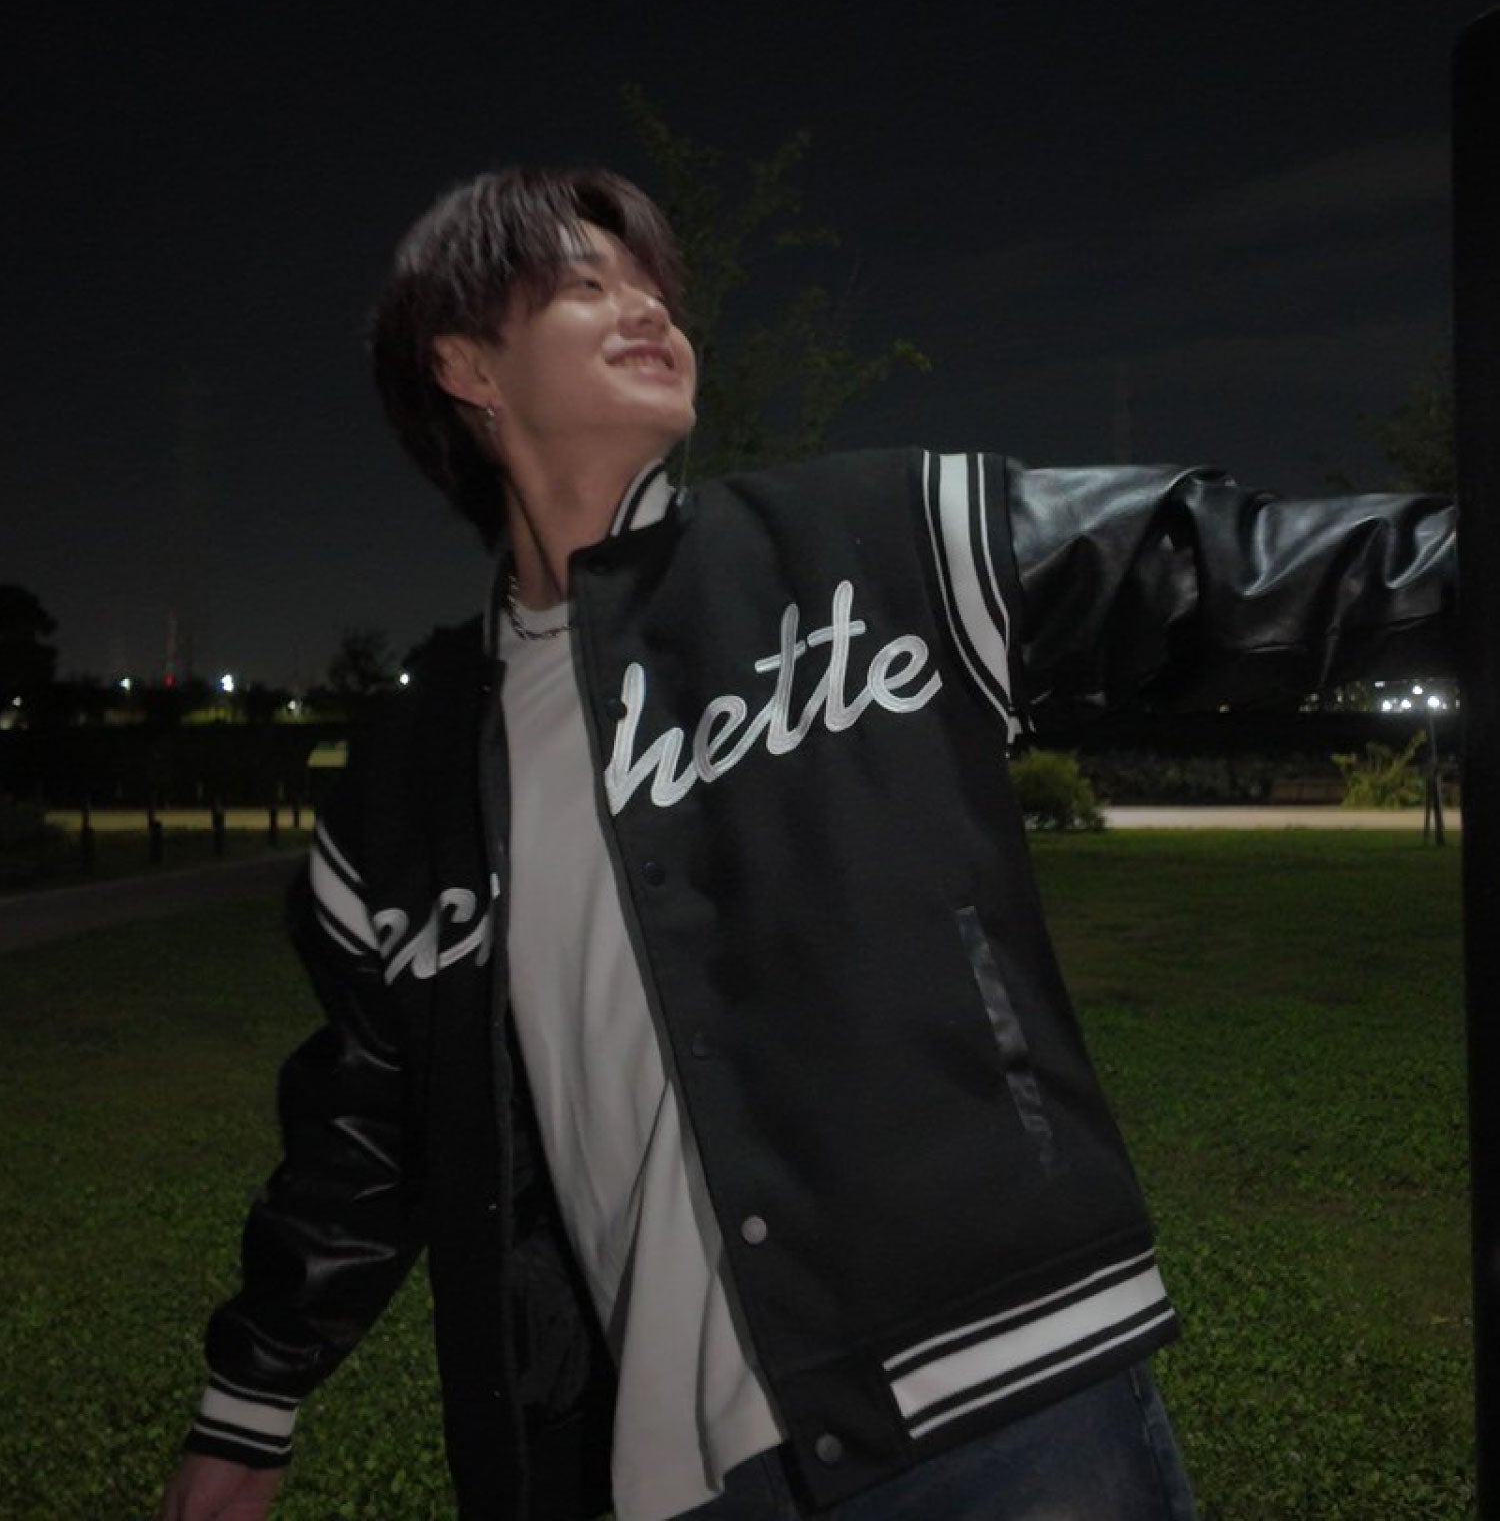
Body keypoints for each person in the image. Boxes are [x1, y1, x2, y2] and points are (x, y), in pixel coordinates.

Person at [158, 167, 1455, 1521]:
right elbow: (366, 1131)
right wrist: (252, 1403)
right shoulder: (407, 777)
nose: (649, 310)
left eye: (657, 287)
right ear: (467, 364)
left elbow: (1238, 567)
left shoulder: (876, 547)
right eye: (586, 283)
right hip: (663, 1475)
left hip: (1006, 1408)